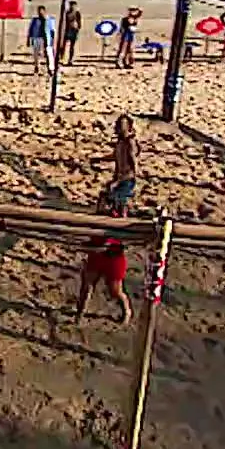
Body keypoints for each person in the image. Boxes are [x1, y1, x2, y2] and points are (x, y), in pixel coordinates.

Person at [74, 191, 133, 325]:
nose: (99, 205)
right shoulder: (95, 218)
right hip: (96, 256)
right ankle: (80, 314)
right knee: (87, 285)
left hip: (113, 259)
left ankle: (127, 311)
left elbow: (105, 245)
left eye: (103, 203)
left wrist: (83, 248)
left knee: (115, 290)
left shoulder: (116, 221)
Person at [92, 114, 140, 216]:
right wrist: (100, 158)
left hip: (127, 178)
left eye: (124, 124)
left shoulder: (130, 142)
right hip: (119, 176)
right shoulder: (120, 142)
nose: (122, 127)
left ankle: (124, 214)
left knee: (117, 197)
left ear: (129, 126)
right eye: (120, 124)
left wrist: (134, 174)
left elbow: (133, 159)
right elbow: (115, 155)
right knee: (107, 195)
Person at [27, 5, 54, 75]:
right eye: (39, 11)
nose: (40, 13)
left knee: (49, 54)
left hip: (47, 38)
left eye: (41, 11)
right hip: (37, 38)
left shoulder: (49, 20)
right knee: (36, 54)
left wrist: (53, 40)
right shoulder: (35, 20)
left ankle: (50, 69)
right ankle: (37, 66)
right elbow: (30, 29)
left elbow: (52, 30)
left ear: (44, 11)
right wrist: (28, 38)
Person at [62, 0, 82, 65]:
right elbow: (66, 22)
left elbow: (79, 22)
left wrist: (77, 29)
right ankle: (64, 58)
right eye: (71, 5)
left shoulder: (77, 13)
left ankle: (70, 60)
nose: (72, 6)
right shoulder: (67, 12)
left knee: (72, 46)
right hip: (68, 30)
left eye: (73, 5)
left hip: (74, 30)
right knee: (66, 45)